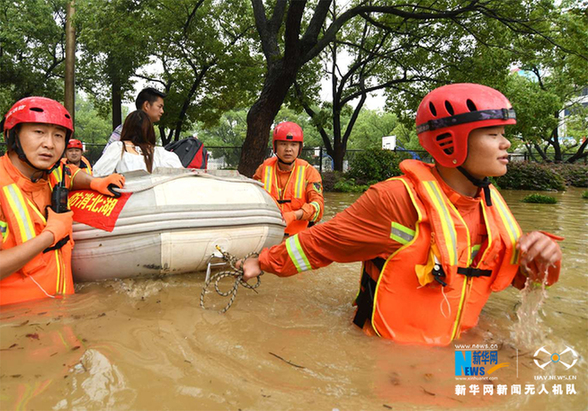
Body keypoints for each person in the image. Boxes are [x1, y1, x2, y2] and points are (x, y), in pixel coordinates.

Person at [241, 84, 563, 346]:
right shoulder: (395, 200)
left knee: (516, 381)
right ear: (450, 141)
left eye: (503, 133)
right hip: (393, 360)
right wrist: (263, 262)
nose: (506, 143)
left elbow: (524, 281)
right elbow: (325, 241)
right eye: (493, 134)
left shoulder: (490, 205)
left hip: (459, 346)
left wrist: (544, 255)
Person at [0, 97, 125, 306]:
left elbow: (71, 173)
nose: (49, 144)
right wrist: (50, 235)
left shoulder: (53, 171)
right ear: (13, 135)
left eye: (58, 135)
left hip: (61, 311)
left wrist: (95, 182)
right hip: (15, 321)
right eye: (39, 132)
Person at [253, 121, 324, 236]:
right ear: (275, 146)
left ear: (300, 147)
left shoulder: (309, 172)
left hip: (298, 237)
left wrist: (295, 215)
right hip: (267, 235)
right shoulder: (264, 169)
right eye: (283, 144)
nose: (288, 149)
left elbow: (318, 209)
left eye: (293, 144)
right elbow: (253, 199)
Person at [93, 110, 182, 176]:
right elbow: (182, 173)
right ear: (149, 130)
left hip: (126, 198)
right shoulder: (161, 153)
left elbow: (98, 174)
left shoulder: (118, 148)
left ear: (126, 128)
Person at [103, 87, 165, 152]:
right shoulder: (125, 128)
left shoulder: (148, 130)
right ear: (146, 105)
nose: (162, 111)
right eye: (159, 106)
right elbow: (107, 154)